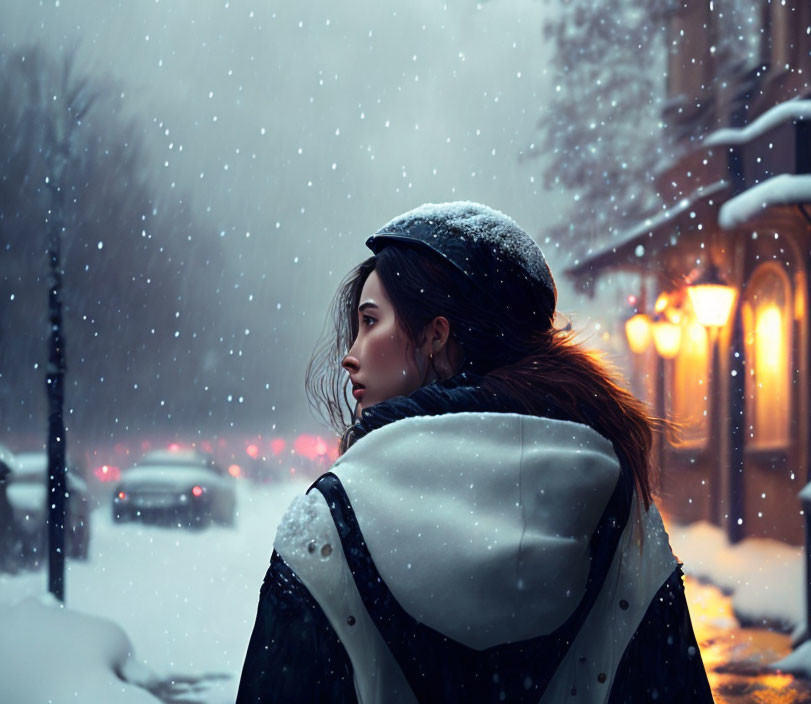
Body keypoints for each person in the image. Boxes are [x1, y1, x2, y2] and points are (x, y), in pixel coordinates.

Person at [236, 202, 714, 703]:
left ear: (437, 335)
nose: (349, 354)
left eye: (370, 321)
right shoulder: (619, 510)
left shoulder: (327, 524)